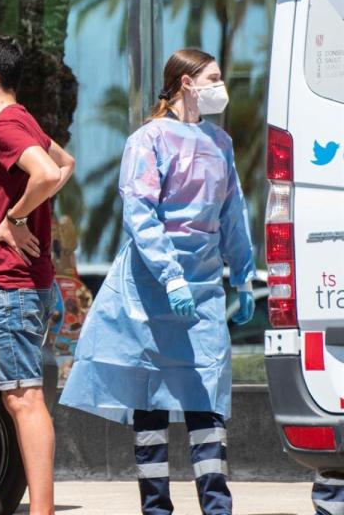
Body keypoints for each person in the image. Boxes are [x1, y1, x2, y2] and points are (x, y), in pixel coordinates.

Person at [60, 48, 256, 515]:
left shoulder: (220, 143)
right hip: (151, 288)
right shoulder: (147, 141)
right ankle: (156, 507)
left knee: (206, 395)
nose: (219, 85)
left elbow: (233, 215)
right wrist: (170, 276)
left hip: (204, 287)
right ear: (187, 83)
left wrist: (244, 276)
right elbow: (140, 212)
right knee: (149, 398)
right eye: (212, 77)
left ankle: (216, 506)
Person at [0, 35, 76, 515]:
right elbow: (64, 164)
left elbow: (48, 173)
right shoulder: (22, 118)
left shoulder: (7, 125)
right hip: (26, 284)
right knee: (22, 397)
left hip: (11, 286)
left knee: (24, 399)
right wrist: (28, 208)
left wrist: (18, 218)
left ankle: (41, 509)